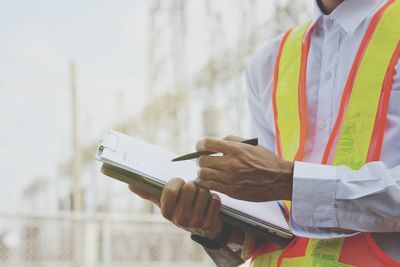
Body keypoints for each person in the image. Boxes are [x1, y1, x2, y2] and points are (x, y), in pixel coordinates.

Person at [130, 0, 400, 266]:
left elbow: (281, 182)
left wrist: (288, 181)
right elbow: (274, 227)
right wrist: (214, 229)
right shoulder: (270, 61)